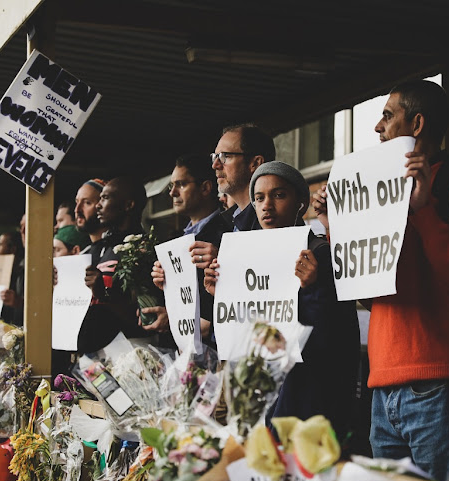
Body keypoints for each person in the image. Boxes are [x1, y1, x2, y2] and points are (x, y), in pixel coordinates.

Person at [312, 80, 449, 481]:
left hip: (441, 382)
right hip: (384, 383)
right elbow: (369, 295)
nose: (377, 127)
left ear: (418, 123)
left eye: (388, 116)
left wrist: (424, 210)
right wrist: (333, 226)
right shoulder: (377, 191)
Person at [205, 161, 360, 438]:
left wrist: (313, 288)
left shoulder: (320, 254)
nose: (266, 206)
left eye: (279, 195)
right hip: (262, 402)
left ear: (301, 203)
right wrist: (221, 296)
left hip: (307, 403)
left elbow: (337, 337)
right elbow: (244, 335)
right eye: (259, 198)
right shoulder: (244, 259)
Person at [78, 177, 162, 352]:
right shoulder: (108, 247)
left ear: (128, 205)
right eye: (99, 199)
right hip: (101, 355)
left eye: (106, 198)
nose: (99, 205)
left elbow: (145, 317)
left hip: (132, 354)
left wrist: (104, 295)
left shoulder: (142, 249)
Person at [147, 154, 226, 338]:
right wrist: (166, 285)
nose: (172, 192)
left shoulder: (228, 232)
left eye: (181, 184)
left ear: (205, 187)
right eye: (171, 185)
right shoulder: (177, 240)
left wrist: (223, 260)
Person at [75, 179, 107, 252]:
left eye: (87, 203)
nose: (77, 210)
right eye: (77, 202)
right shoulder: (85, 253)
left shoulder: (116, 250)